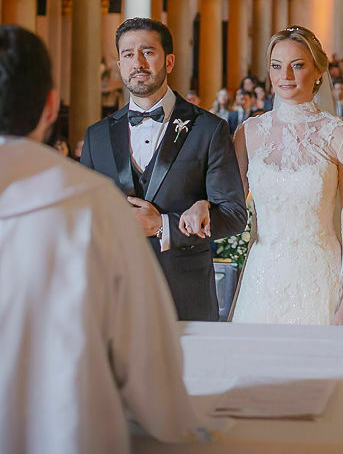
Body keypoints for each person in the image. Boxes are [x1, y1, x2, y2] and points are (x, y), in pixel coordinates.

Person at [0, 25, 198, 454]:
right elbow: (148, 356)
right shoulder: (92, 205)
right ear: (51, 106)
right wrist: (171, 418)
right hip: (69, 432)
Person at [81, 17, 246, 320]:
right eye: (128, 54)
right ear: (119, 65)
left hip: (184, 297)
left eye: (148, 52)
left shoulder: (208, 129)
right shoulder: (97, 136)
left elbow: (234, 216)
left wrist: (163, 227)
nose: (138, 62)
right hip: (115, 299)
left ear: (169, 61)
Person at [230, 25, 343, 325]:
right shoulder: (249, 134)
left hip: (321, 275)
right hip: (263, 277)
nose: (286, 76)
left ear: (318, 70)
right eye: (277, 67)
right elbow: (229, 204)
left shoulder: (340, 136)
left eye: (298, 66)